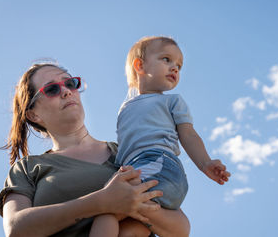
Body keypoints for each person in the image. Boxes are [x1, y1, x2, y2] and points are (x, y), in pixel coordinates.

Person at [0, 62, 190, 237]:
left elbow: (180, 229)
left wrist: (130, 204)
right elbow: (15, 228)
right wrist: (100, 202)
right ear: (33, 114)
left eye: (70, 84)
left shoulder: (124, 153)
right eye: (52, 89)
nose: (66, 91)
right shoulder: (27, 168)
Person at [91, 36, 231, 236]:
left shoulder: (172, 101)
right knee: (131, 227)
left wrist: (205, 164)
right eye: (166, 59)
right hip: (138, 167)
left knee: (106, 209)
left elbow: (189, 135)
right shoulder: (126, 107)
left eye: (179, 66)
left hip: (160, 165)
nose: (175, 68)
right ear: (139, 65)